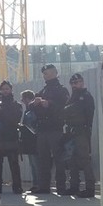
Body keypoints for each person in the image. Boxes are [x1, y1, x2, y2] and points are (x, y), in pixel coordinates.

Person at [27, 64, 69, 195]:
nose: (47, 75)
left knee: (58, 158)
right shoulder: (43, 90)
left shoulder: (61, 90)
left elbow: (65, 106)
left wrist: (49, 104)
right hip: (42, 129)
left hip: (55, 128)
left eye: (49, 73)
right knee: (43, 159)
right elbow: (29, 107)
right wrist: (34, 104)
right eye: (45, 73)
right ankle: (44, 186)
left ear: (56, 73)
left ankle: (61, 186)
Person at [61, 73, 96, 197]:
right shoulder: (73, 97)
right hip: (71, 131)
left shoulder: (85, 96)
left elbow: (75, 110)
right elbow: (65, 112)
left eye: (78, 82)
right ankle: (74, 186)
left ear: (82, 83)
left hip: (82, 131)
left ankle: (90, 188)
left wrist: (69, 110)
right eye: (73, 83)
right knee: (71, 160)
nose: (75, 85)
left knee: (84, 160)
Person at [0, 80, 23, 194]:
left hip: (11, 138)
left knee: (14, 164)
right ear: (0, 90)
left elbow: (15, 119)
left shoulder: (16, 105)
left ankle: (17, 187)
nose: (5, 91)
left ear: (11, 90)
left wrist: (1, 113)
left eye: (7, 88)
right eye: (3, 89)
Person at [19, 90, 39, 187]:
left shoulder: (32, 110)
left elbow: (31, 125)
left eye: (23, 98)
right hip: (29, 141)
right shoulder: (27, 110)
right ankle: (35, 184)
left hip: (34, 141)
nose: (22, 100)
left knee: (36, 164)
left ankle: (38, 184)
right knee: (32, 164)